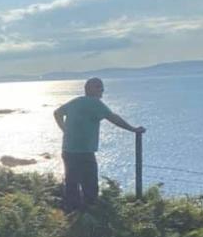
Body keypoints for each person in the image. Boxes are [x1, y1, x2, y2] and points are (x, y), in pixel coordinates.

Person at [53, 78, 145, 211]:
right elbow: (114, 118)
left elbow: (57, 113)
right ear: (89, 89)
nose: (102, 90)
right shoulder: (95, 103)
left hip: (68, 149)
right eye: (98, 87)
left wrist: (65, 130)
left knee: (71, 183)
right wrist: (133, 129)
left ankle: (72, 215)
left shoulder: (76, 102)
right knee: (90, 185)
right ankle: (90, 217)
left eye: (101, 87)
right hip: (84, 152)